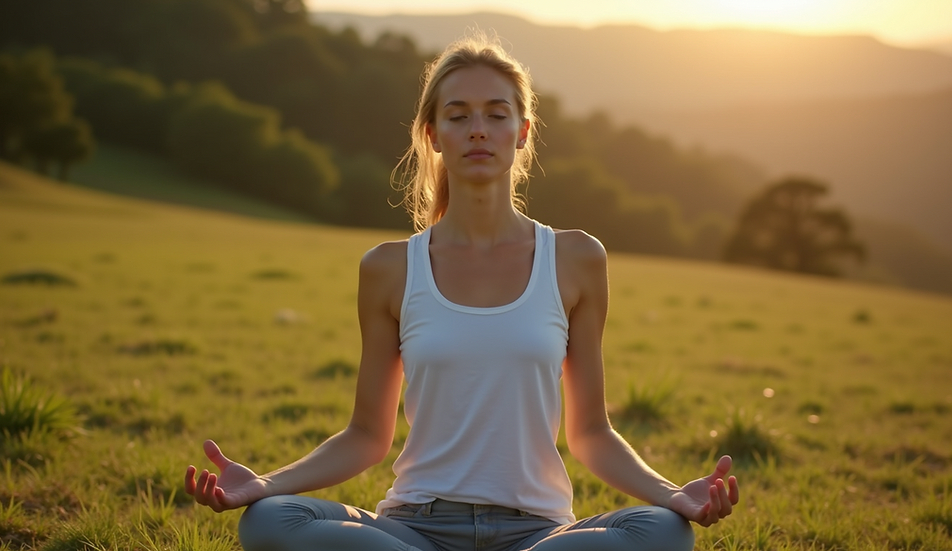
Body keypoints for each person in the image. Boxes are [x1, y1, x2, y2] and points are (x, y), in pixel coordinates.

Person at [185, 34, 739, 551]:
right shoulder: (389, 268)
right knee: (269, 520)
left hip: (538, 534)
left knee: (665, 531)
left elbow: (591, 432)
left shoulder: (576, 259)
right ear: (433, 134)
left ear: (522, 132)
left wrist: (671, 494)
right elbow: (366, 435)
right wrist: (263, 484)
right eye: (459, 116)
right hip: (414, 529)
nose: (479, 129)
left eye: (497, 115)